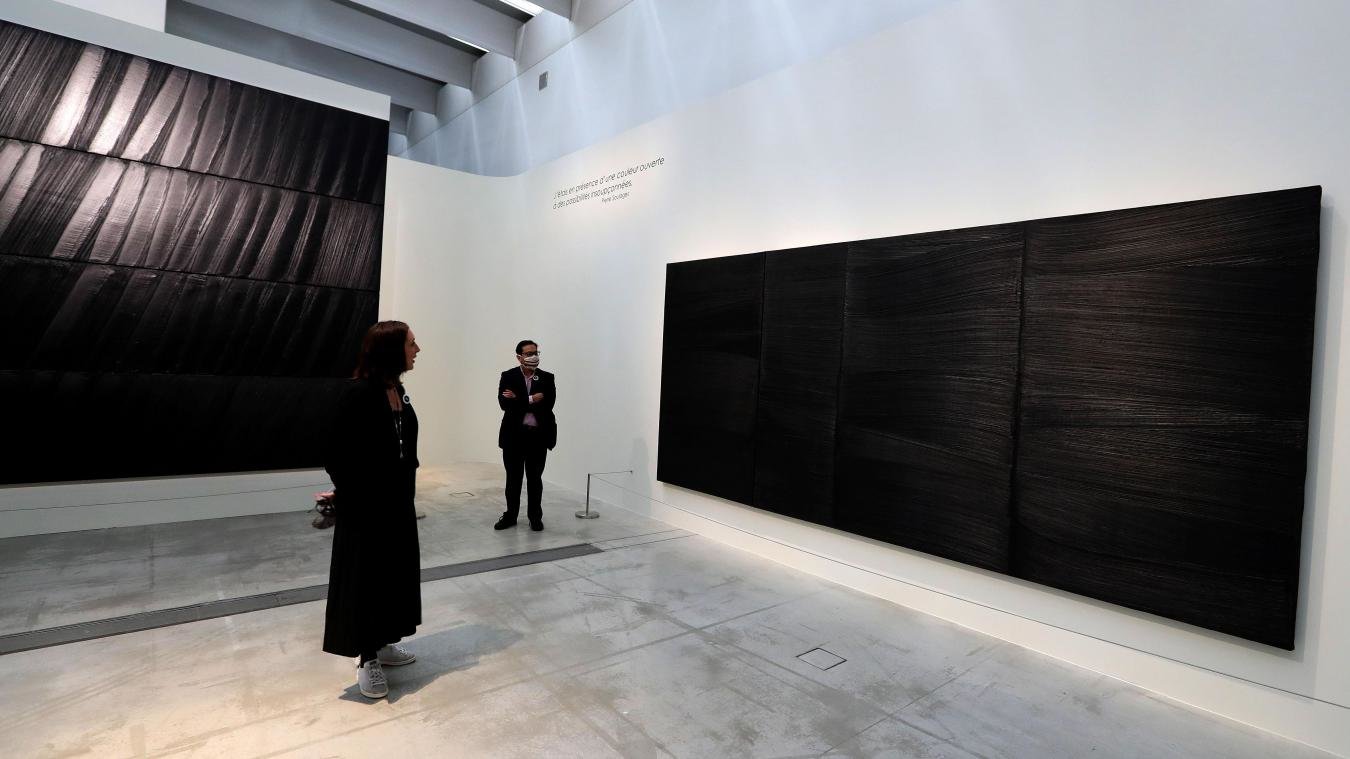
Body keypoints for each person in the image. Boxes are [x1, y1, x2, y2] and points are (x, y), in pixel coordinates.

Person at [322, 320, 422, 700]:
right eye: (411, 343)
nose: (417, 350)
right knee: (366, 580)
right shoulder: (358, 393)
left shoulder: (397, 390)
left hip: (397, 504)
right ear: (391, 349)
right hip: (366, 509)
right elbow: (335, 452)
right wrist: (349, 492)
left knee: (394, 575)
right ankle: (366, 657)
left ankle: (384, 640)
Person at [495, 339, 557, 532]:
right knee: (513, 479)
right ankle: (510, 516)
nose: (534, 356)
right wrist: (531, 399)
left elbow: (548, 405)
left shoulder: (547, 378)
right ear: (519, 357)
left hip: (537, 437)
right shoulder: (508, 376)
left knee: (535, 479)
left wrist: (518, 399)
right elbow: (505, 405)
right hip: (514, 437)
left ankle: (535, 517)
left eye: (536, 352)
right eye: (529, 353)